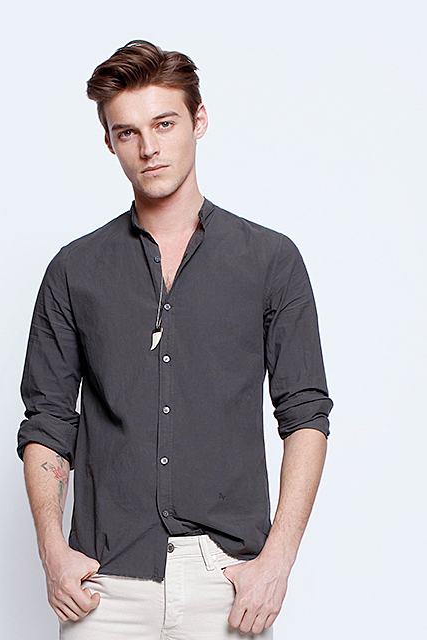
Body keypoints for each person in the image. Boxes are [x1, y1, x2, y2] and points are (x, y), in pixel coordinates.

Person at [17, 39, 333, 639]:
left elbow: (306, 416)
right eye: (128, 132)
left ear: (199, 120)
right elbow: (48, 422)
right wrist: (53, 551)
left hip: (228, 581)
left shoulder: (270, 261)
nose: (149, 147)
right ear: (109, 142)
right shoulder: (75, 271)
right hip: (105, 587)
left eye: (164, 124)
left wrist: (277, 563)